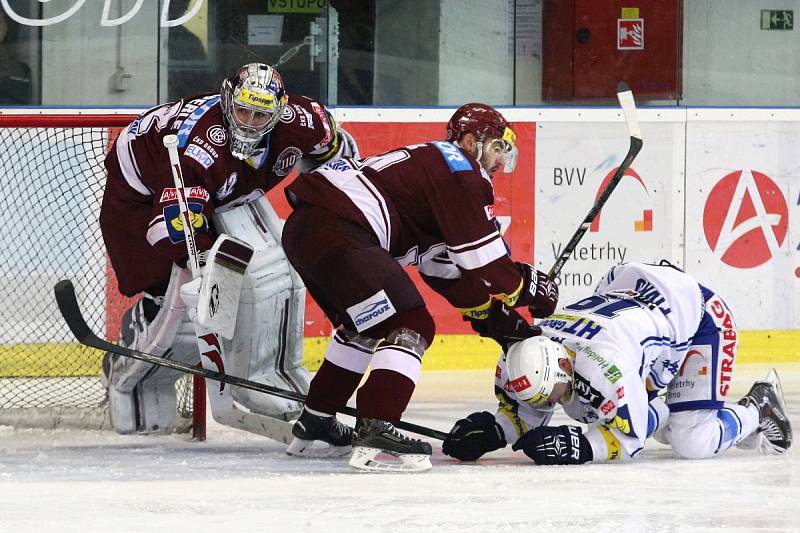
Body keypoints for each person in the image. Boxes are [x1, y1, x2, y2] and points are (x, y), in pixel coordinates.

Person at [280, 103, 560, 472]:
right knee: (413, 325)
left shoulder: (439, 173)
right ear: (471, 141)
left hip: (308, 231)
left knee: (365, 325)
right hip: (340, 230)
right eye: (496, 150)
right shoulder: (461, 170)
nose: (498, 163)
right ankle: (377, 428)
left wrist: (502, 323)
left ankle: (316, 418)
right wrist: (531, 289)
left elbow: (447, 274)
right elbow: (489, 267)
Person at [100, 62, 359, 435]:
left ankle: (276, 370)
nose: (251, 122)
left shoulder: (304, 122)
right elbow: (178, 231)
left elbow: (339, 155)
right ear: (227, 100)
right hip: (139, 199)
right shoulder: (196, 149)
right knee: (175, 292)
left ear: (280, 110)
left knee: (275, 274)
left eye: (261, 114)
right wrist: (209, 274)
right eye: (242, 110)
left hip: (225, 190)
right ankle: (132, 342)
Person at [442, 261, 793, 465]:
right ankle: (675, 409)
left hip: (698, 317)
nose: (550, 405)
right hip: (636, 301)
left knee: (691, 442)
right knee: (617, 411)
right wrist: (496, 430)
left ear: (565, 367)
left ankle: (757, 407)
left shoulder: (605, 369)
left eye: (551, 396)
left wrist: (580, 447)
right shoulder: (522, 354)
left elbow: (630, 439)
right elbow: (527, 411)